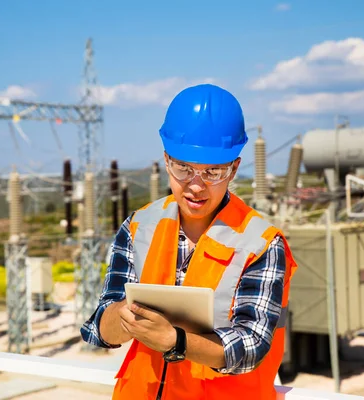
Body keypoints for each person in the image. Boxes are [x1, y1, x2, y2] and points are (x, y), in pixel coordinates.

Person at [81, 84, 298, 400]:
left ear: (234, 168)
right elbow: (97, 329)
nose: (196, 186)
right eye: (184, 169)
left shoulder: (261, 244)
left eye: (213, 172)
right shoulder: (138, 226)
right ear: (167, 160)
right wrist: (124, 319)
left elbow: (251, 347)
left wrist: (175, 341)